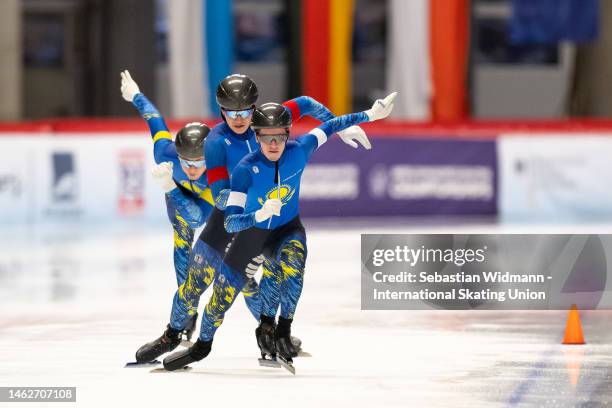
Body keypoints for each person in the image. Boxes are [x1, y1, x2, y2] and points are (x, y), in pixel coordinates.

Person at [132, 73, 372, 364]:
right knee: (196, 282)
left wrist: (341, 127)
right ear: (221, 111)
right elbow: (219, 196)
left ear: (254, 108)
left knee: (269, 273)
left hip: (265, 219)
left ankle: (268, 330)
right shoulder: (216, 142)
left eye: (245, 111)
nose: (239, 118)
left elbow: (306, 103)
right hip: (229, 217)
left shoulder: (266, 123)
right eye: (232, 112)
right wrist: (247, 206)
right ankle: (171, 334)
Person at [121, 70, 213, 342]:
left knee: (238, 269)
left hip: (207, 199)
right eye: (187, 162)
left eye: (199, 163)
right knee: (183, 251)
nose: (193, 169)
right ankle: (187, 314)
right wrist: (136, 96)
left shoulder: (222, 172)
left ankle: (271, 329)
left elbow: (199, 219)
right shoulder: (165, 152)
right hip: (176, 197)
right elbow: (155, 121)